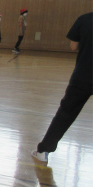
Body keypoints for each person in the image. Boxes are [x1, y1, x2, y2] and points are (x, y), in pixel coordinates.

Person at [32, 12, 92, 163]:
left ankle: (44, 150)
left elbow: (73, 46)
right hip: (83, 75)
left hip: (83, 75)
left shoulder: (84, 19)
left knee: (66, 113)